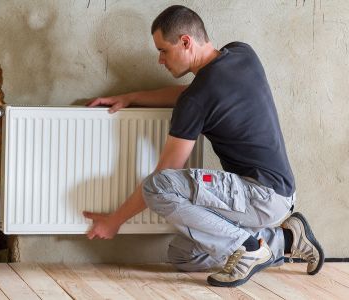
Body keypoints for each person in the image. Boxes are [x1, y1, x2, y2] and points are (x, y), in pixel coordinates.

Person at [83, 5, 324, 287]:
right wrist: (133, 96)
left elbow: (164, 175)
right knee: (183, 255)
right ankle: (287, 238)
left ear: (185, 41)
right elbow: (195, 94)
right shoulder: (242, 53)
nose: (160, 60)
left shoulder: (196, 100)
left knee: (157, 186)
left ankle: (248, 248)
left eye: (163, 50)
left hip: (259, 196)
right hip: (280, 193)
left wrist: (115, 221)